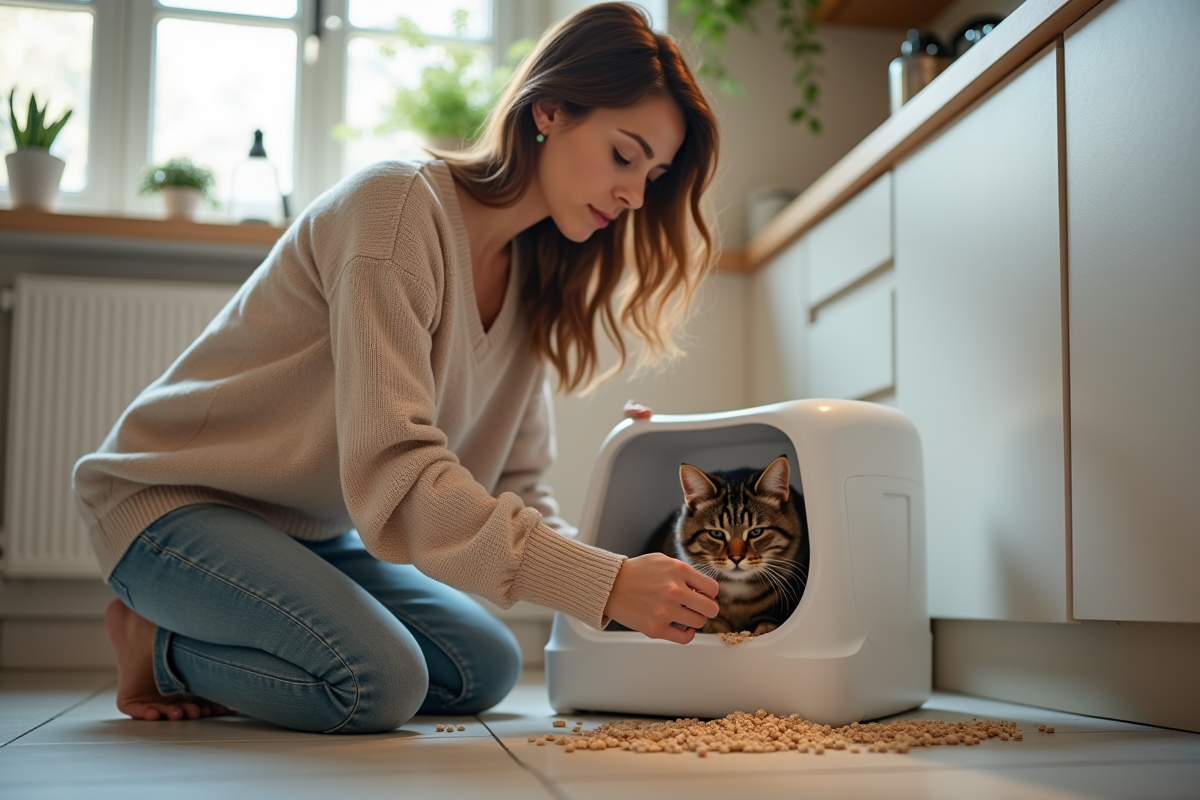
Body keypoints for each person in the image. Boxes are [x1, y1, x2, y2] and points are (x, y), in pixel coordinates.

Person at [72, 2, 721, 735]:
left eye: (655, 175)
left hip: (309, 532)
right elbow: (396, 473)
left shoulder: (538, 274)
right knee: (376, 682)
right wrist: (603, 585)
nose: (636, 195)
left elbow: (515, 486)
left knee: (487, 665)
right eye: (624, 155)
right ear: (549, 110)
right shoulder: (397, 206)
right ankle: (154, 643)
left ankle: (218, 635)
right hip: (170, 506)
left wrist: (624, 573)